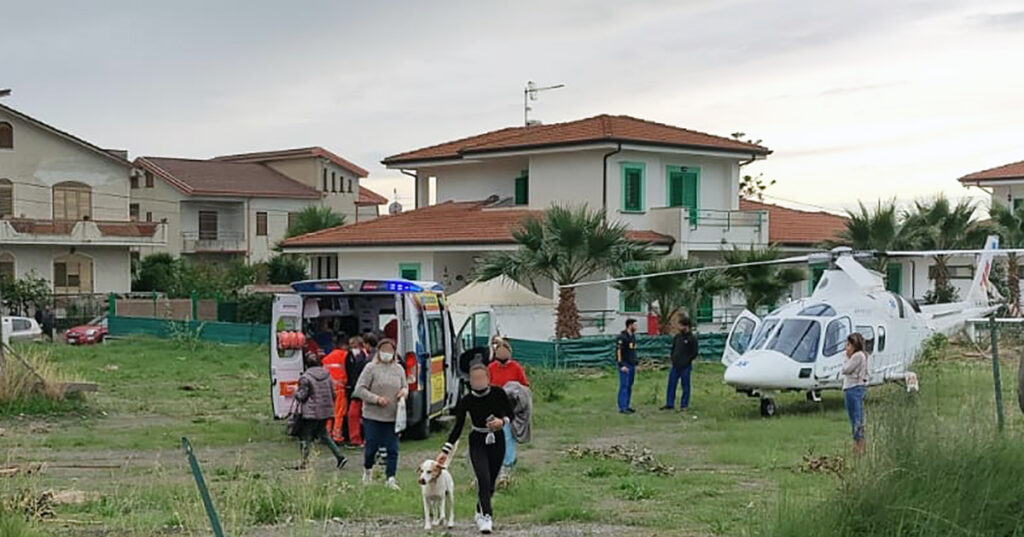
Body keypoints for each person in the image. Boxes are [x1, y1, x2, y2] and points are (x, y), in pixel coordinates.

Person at [437, 363, 513, 534]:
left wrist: (502, 422)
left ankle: (480, 508)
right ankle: (486, 516)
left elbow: (511, 414)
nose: (478, 382)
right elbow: (458, 427)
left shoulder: (498, 393)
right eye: (474, 379)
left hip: (497, 439)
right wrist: (445, 450)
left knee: (491, 481)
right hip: (477, 440)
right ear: (470, 381)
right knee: (483, 478)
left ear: (488, 379)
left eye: (481, 378)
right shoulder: (466, 400)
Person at [353, 338, 406, 490]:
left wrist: (404, 392)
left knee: (393, 449)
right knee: (372, 447)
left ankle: (390, 478)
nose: (387, 353)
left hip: (393, 416)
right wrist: (376, 399)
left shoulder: (399, 369)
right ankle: (367, 471)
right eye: (384, 350)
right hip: (373, 416)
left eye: (390, 350)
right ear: (378, 351)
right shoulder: (371, 368)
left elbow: (405, 386)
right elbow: (359, 389)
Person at [294, 351, 348, 470]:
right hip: (325, 411)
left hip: (311, 413)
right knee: (325, 435)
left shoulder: (306, 378)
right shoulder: (327, 375)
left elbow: (302, 396)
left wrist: (295, 392)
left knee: (306, 436)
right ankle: (340, 456)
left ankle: (304, 462)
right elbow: (333, 394)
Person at [488, 339, 529, 476]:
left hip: (511, 407)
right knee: (494, 434)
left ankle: (508, 463)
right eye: (499, 351)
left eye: (505, 351)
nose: (502, 354)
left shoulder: (516, 367)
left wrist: (514, 391)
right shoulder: (491, 368)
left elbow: (525, 386)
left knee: (508, 434)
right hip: (494, 406)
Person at [662, 317, 699, 411]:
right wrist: (672, 358)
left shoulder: (692, 338)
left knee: (685, 386)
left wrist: (687, 361)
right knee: (671, 385)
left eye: (680, 325)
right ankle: (669, 404)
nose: (678, 327)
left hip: (685, 366)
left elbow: (694, 353)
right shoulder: (677, 337)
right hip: (675, 365)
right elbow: (673, 348)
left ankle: (684, 405)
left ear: (686, 326)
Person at [843, 332, 869, 455]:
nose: (846, 348)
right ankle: (858, 445)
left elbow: (845, 369)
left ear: (854, 346)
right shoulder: (860, 356)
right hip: (853, 388)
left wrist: (847, 358)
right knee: (855, 417)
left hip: (854, 388)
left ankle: (859, 446)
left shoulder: (857, 356)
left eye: (848, 345)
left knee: (856, 417)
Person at [321, 335, 349, 444]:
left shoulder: (326, 358)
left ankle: (326, 434)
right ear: (344, 345)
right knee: (339, 413)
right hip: (340, 388)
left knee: (329, 412)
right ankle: (337, 436)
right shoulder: (345, 355)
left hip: (328, 389)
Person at [344, 336, 369, 447]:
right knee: (353, 415)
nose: (353, 348)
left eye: (354, 346)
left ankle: (362, 439)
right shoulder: (352, 357)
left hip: (363, 390)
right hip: (356, 390)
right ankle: (356, 439)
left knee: (360, 415)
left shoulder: (364, 357)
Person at [616, 319, 638, 414]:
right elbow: (618, 351)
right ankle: (622, 407)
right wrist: (621, 365)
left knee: (629, 386)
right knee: (624, 386)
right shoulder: (622, 337)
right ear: (630, 325)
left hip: (632, 364)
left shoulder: (632, 337)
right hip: (625, 365)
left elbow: (633, 351)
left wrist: (636, 362)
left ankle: (627, 405)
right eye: (635, 325)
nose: (636, 327)